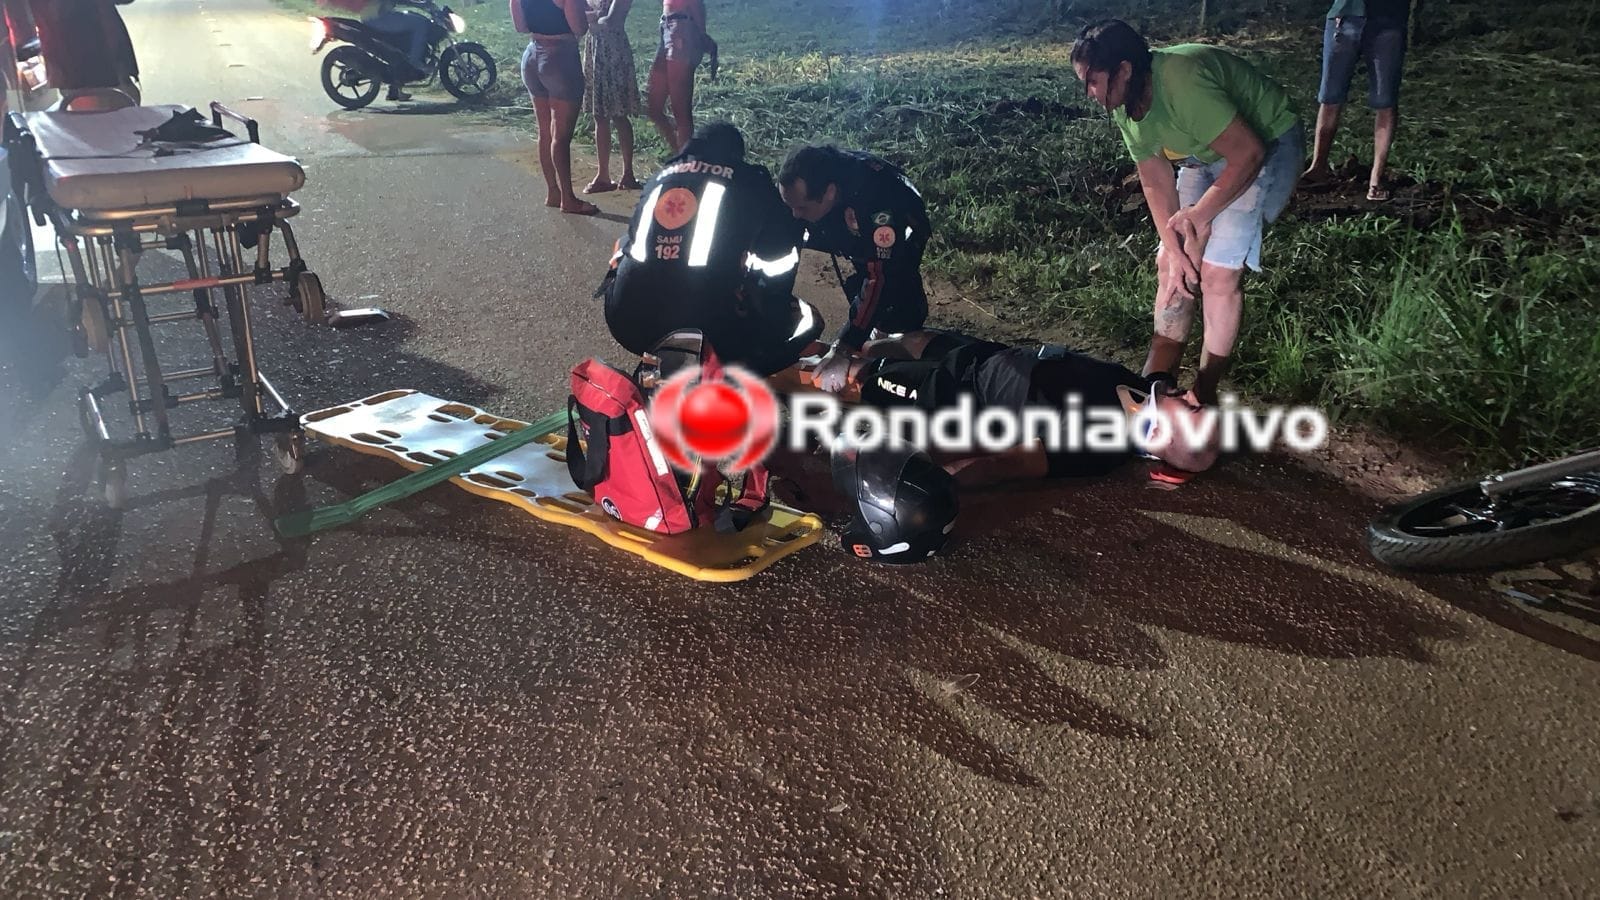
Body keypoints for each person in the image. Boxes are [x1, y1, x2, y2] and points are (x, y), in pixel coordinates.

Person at [1070, 19, 1304, 408]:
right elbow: (1154, 175)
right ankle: (1155, 382)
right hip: (1203, 154)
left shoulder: (1182, 81)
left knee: (1217, 273)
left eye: (1093, 81)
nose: (1089, 93)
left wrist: (1199, 214)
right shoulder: (1124, 102)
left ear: (1124, 70)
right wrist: (1175, 247)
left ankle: (1204, 392)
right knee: (1171, 263)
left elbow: (1248, 153)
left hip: (1266, 143)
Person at [836, 329, 1221, 488]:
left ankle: (806, 377)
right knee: (893, 341)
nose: (1191, 395)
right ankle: (866, 353)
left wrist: (932, 485)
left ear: (1158, 434)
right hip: (987, 355)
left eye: (1190, 409)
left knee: (862, 374)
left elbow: (1010, 463)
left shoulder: (1098, 445)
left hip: (956, 394)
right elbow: (1166, 342)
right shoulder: (1149, 391)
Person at [599, 122, 822, 376]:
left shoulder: (660, 177)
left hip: (628, 321)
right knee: (806, 321)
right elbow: (778, 259)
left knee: (628, 241)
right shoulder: (751, 181)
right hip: (707, 330)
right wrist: (775, 319)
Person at [777, 143, 933, 395]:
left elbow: (880, 277)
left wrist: (844, 347)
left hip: (903, 230)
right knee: (860, 290)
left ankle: (903, 366)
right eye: (789, 205)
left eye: (802, 208)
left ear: (828, 193)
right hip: (849, 217)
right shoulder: (816, 185)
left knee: (894, 300)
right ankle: (870, 335)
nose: (794, 215)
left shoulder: (878, 204)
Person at [1302, 0, 1418, 201]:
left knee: (1385, 99)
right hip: (1345, 16)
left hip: (1388, 19)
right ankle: (1318, 167)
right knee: (1329, 96)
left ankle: (1376, 177)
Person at [513, 0, 599, 215]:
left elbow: (520, 26)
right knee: (560, 136)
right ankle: (568, 199)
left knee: (545, 131)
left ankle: (553, 191)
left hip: (532, 55)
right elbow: (578, 27)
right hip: (560, 57)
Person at [580, 0, 642, 194]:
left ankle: (628, 173)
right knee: (599, 115)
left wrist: (587, 18)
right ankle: (603, 175)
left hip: (613, 51)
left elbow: (612, 20)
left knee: (619, 113)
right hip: (595, 47)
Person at [646, 0, 708, 154]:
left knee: (680, 109)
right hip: (668, 25)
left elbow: (697, 5)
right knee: (654, 106)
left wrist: (701, 35)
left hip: (681, 27)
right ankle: (680, 154)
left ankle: (685, 160)